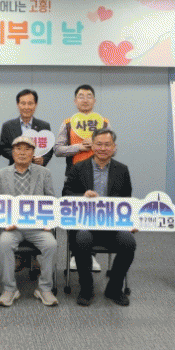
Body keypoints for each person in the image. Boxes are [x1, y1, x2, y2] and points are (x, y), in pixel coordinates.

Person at [62, 128, 136, 307]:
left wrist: (130, 222)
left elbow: (127, 200)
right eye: (99, 144)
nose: (103, 148)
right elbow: (66, 194)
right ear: (92, 146)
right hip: (85, 224)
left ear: (114, 147)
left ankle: (114, 288)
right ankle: (86, 288)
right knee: (82, 239)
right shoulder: (78, 168)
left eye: (107, 145)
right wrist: (82, 196)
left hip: (112, 226)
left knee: (129, 242)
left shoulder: (122, 170)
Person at [0, 136, 58, 307]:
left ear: (33, 152)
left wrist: (48, 223)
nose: (22, 153)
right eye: (18, 149)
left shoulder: (44, 173)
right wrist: (5, 223)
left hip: (37, 227)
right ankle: (10, 289)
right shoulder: (0, 174)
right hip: (12, 227)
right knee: (4, 243)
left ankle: (44, 288)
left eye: (27, 149)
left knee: (51, 245)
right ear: (12, 152)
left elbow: (51, 200)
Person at [55, 84, 111, 273]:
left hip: (99, 176)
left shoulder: (104, 122)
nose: (85, 99)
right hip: (74, 176)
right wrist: (78, 147)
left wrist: (95, 146)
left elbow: (111, 147)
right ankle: (74, 255)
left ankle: (91, 255)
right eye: (81, 96)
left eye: (89, 96)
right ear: (75, 101)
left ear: (94, 100)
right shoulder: (68, 123)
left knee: (94, 216)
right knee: (73, 216)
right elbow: (58, 149)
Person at [0, 89, 53, 166]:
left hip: (37, 168)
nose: (26, 107)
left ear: (36, 105)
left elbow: (49, 150)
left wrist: (43, 159)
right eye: (23, 103)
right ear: (17, 105)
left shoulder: (44, 126)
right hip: (14, 168)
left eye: (30, 103)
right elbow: (3, 148)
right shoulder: (8, 126)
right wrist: (19, 155)